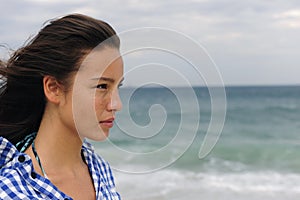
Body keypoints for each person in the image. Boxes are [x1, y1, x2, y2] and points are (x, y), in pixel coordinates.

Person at [0, 14, 123, 200]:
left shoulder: (98, 169)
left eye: (117, 87)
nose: (116, 104)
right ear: (54, 88)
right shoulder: (14, 192)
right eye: (101, 86)